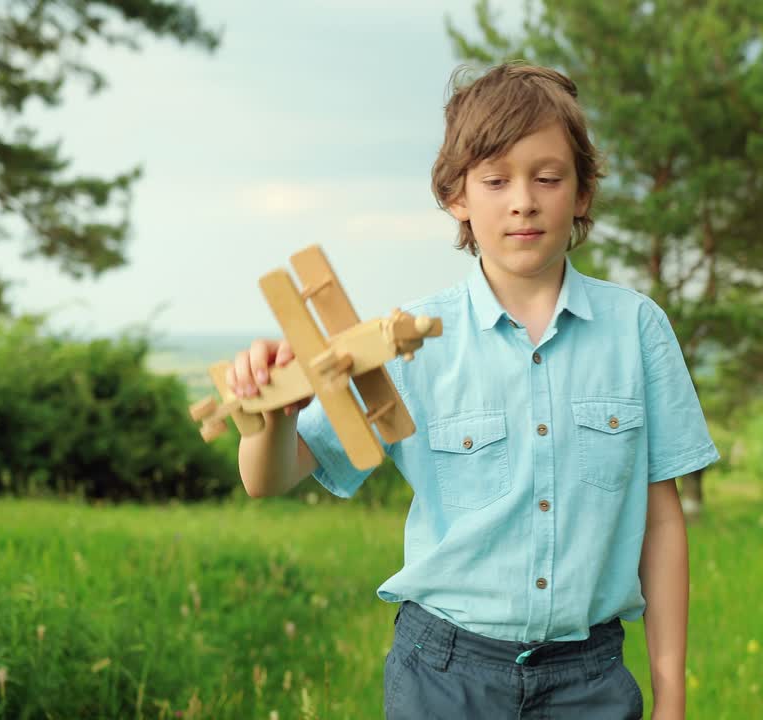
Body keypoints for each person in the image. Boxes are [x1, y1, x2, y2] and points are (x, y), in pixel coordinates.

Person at [230, 62, 718, 720]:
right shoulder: (408, 341)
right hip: (443, 676)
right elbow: (274, 476)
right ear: (457, 196)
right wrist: (268, 416)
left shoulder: (636, 331)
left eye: (547, 177)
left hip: (591, 681)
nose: (523, 200)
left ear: (581, 193)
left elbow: (662, 524)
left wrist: (672, 699)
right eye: (495, 180)